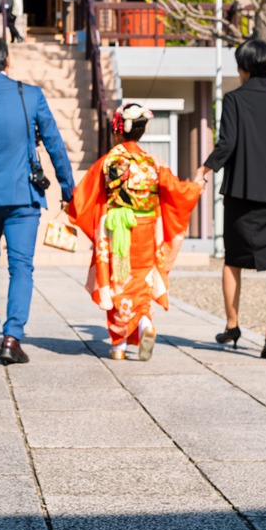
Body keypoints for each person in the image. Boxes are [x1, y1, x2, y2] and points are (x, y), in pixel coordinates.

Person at [0, 35, 74, 365]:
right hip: (23, 194)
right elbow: (54, 143)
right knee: (21, 266)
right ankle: (12, 338)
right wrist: (68, 188)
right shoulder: (31, 95)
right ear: (8, 60)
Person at [196, 39, 266, 360]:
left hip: (242, 194)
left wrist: (205, 169)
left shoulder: (234, 100)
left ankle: (232, 326)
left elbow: (227, 144)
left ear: (243, 67)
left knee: (233, 261)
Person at [68, 104, 202, 360]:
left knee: (118, 282)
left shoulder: (109, 160)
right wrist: (195, 187)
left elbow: (84, 195)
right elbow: (177, 191)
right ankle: (144, 323)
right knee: (141, 281)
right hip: (146, 230)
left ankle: (118, 346)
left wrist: (70, 205)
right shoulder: (153, 162)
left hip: (115, 229)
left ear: (118, 131)